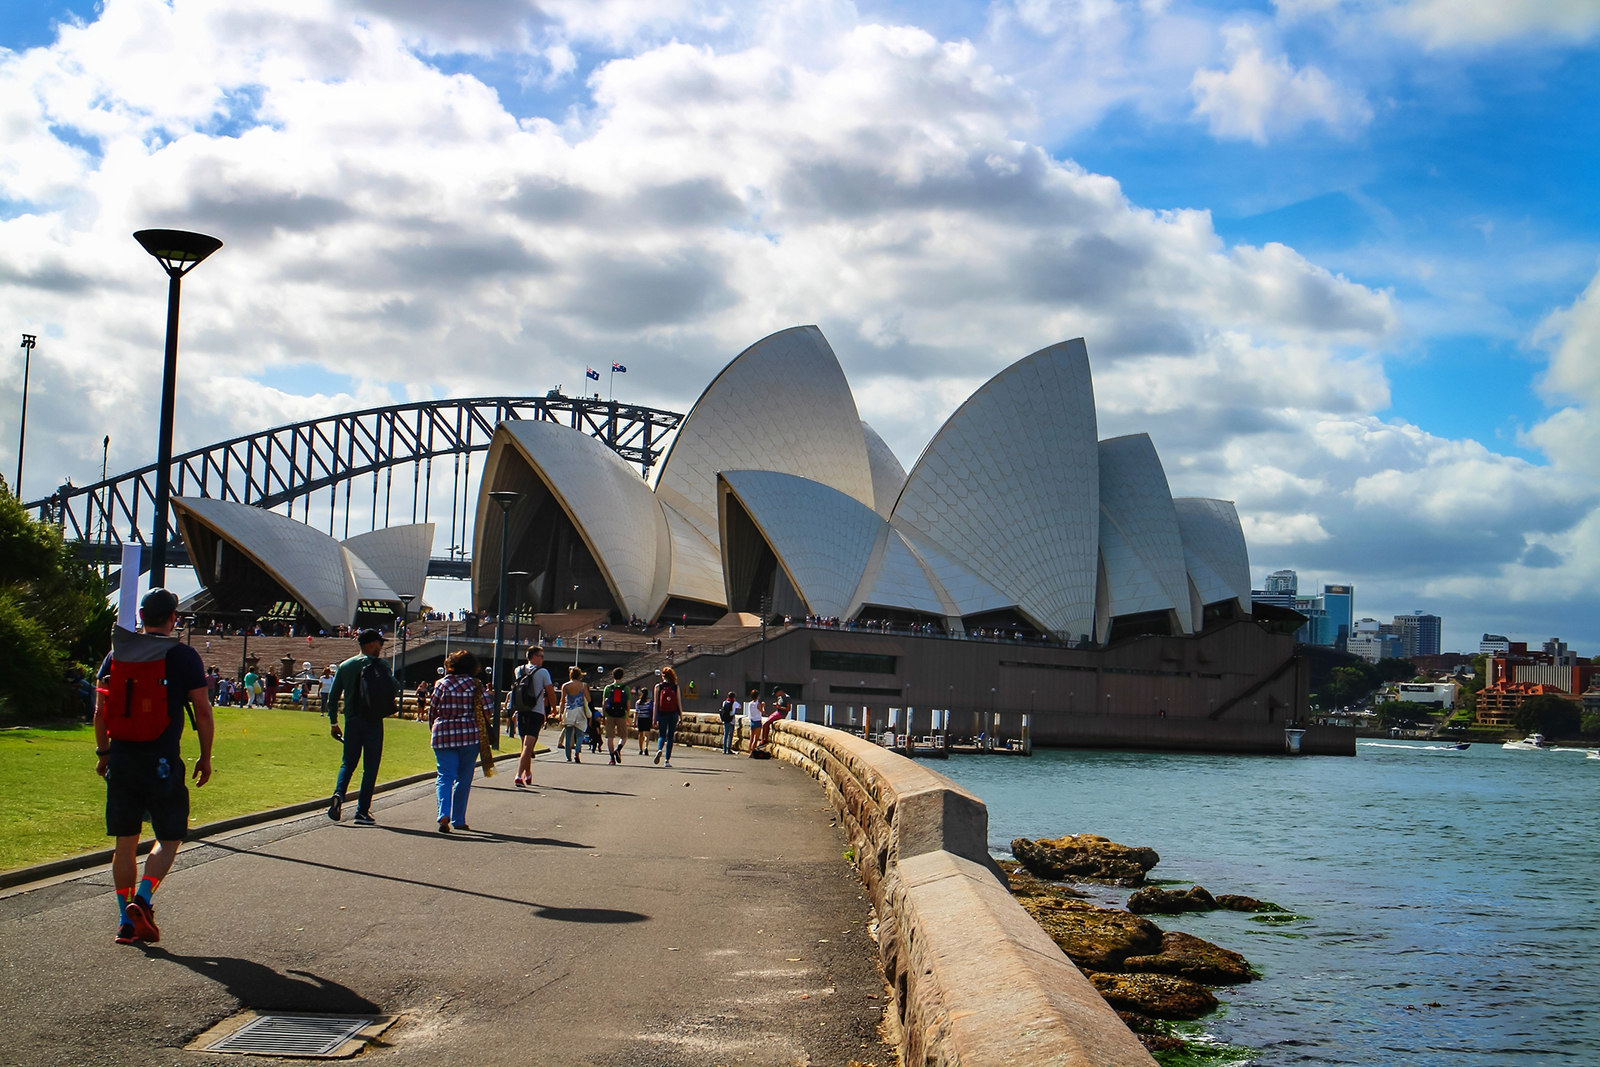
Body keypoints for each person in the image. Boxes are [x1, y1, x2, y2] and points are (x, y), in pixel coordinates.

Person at [93, 588, 214, 945]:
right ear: (173, 617)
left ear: (142, 617)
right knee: (170, 835)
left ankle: (124, 921)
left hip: (123, 757)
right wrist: (205, 756)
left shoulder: (116, 654)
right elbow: (203, 711)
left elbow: (101, 710)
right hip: (161, 758)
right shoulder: (183, 656)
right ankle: (143, 900)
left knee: (125, 842)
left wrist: (104, 753)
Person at [324, 629, 398, 826]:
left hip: (352, 720)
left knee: (348, 762)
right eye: (380, 644)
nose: (381, 648)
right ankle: (362, 811)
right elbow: (395, 686)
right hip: (373, 720)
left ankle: (339, 793)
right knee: (370, 767)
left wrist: (333, 722)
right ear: (372, 644)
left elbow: (333, 697)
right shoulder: (379, 664)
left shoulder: (346, 665)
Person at [429, 650, 487, 833]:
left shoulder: (441, 684)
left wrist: (434, 727)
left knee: (445, 776)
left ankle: (443, 814)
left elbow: (432, 709)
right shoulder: (475, 685)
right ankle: (459, 818)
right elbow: (488, 710)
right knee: (464, 777)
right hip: (469, 735)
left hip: (443, 734)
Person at [511, 646, 556, 787]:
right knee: (528, 745)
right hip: (536, 711)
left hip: (522, 710)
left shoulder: (518, 670)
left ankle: (528, 773)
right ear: (532, 657)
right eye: (540, 656)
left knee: (525, 745)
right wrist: (554, 708)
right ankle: (519, 775)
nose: (542, 659)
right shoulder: (543, 672)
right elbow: (550, 692)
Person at [652, 666, 682, 767]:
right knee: (670, 737)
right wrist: (681, 716)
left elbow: (656, 704)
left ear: (662, 676)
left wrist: (654, 718)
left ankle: (660, 749)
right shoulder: (675, 687)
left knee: (662, 735)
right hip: (673, 713)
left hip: (662, 713)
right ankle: (667, 760)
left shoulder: (658, 686)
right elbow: (679, 703)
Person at [560, 667, 590, 763]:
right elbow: (588, 699)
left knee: (568, 734)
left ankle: (568, 756)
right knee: (580, 733)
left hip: (569, 710)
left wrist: (560, 713)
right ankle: (577, 750)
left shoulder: (565, 686)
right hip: (579, 710)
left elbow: (562, 701)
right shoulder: (583, 686)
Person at [601, 668, 630, 764]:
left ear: (612, 676)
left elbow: (604, 703)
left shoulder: (608, 688)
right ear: (622, 676)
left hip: (610, 714)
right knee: (624, 736)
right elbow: (628, 704)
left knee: (610, 737)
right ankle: (618, 749)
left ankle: (612, 758)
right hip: (621, 714)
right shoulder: (626, 689)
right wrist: (627, 716)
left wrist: (604, 715)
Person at [635, 684, 654, 755]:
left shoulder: (638, 702)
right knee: (647, 734)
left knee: (640, 735)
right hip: (647, 718)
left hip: (640, 718)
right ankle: (646, 747)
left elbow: (636, 712)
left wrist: (634, 720)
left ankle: (640, 749)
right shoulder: (650, 702)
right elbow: (652, 711)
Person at [745, 689, 764, 754]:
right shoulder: (758, 704)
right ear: (757, 696)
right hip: (757, 721)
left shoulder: (750, 704)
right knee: (756, 740)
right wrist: (763, 706)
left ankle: (749, 751)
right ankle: (752, 752)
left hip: (752, 721)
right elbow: (763, 712)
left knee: (751, 738)